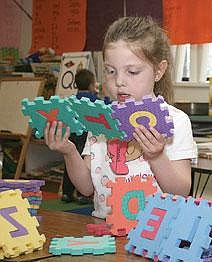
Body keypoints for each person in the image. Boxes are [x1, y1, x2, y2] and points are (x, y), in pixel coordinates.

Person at [45, 16, 197, 218]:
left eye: (132, 72)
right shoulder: (101, 120)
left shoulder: (176, 120)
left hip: (155, 235)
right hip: (106, 231)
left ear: (159, 70)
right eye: (110, 71)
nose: (119, 82)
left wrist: (157, 157)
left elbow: (180, 191)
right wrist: (69, 151)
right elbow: (87, 188)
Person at [61, 69, 99, 204]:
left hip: (72, 134)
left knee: (71, 163)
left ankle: (67, 192)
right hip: (86, 135)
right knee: (83, 163)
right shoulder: (95, 99)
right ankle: (82, 194)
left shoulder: (71, 99)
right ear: (91, 85)